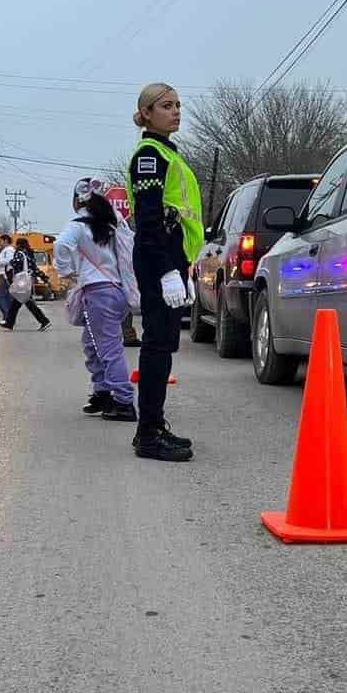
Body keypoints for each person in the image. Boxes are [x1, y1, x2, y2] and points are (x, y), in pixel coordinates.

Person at [126, 82, 202, 462]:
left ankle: (153, 426)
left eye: (178, 105)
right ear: (147, 113)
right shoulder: (149, 157)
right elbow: (151, 220)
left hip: (171, 257)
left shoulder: (168, 153)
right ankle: (148, 433)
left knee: (166, 343)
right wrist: (168, 271)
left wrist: (182, 268)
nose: (176, 111)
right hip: (159, 256)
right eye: (166, 105)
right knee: (157, 344)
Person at [55, 178, 137, 422]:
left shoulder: (78, 224)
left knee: (108, 349)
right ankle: (102, 393)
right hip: (116, 292)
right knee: (92, 344)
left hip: (99, 294)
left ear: (75, 200)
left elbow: (61, 244)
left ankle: (123, 402)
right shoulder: (111, 222)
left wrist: (66, 272)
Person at [0, 236, 52, 331]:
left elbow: (15, 263)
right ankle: (9, 323)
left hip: (21, 282)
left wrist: (10, 263)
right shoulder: (28, 254)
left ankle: (44, 321)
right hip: (26, 281)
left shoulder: (19, 254)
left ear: (18, 244)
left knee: (27, 304)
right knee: (16, 304)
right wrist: (44, 277)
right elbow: (34, 268)